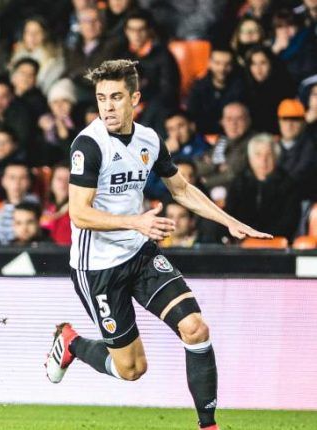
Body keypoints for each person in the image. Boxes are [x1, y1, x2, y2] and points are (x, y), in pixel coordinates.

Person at [44, 60, 271, 430]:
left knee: (195, 327)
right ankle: (71, 343)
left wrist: (227, 220)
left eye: (116, 97)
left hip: (140, 252)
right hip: (97, 266)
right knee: (132, 369)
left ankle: (208, 425)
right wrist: (136, 221)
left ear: (135, 98)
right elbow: (80, 215)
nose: (108, 107)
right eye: (102, 98)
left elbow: (180, 188)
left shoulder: (149, 139)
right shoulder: (88, 144)